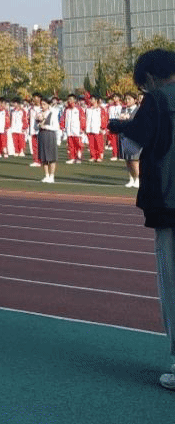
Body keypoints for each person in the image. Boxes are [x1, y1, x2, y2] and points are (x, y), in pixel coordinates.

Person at [106, 49, 175, 390]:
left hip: (169, 200)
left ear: (148, 77)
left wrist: (118, 124)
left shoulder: (157, 99)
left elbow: (139, 136)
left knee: (172, 284)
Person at [119, 94, 143, 188]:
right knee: (127, 160)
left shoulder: (139, 110)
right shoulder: (123, 109)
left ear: (135, 100)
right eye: (126, 99)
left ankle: (138, 179)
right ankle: (131, 178)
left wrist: (129, 120)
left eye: (129, 99)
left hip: (134, 137)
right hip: (125, 136)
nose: (127, 101)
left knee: (134, 160)